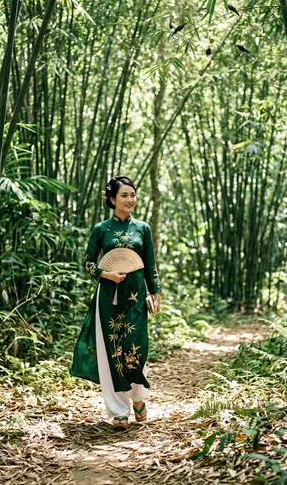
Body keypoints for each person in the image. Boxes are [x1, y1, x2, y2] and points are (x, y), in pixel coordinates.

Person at [70, 176, 162, 430]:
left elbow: (150, 264)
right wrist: (105, 273)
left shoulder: (142, 228)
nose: (130, 199)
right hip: (108, 297)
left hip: (136, 296)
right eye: (124, 195)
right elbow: (88, 262)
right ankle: (118, 410)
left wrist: (156, 293)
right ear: (112, 200)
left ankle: (139, 398)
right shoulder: (101, 229)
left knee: (135, 346)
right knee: (113, 352)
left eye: (132, 195)